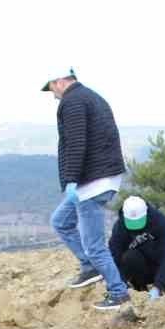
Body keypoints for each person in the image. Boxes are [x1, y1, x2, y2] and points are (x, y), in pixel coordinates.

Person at [43, 68, 130, 311]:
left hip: (92, 183)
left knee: (94, 245)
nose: (52, 94)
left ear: (59, 81)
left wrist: (71, 179)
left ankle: (118, 292)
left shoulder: (73, 102)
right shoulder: (91, 96)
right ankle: (90, 267)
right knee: (61, 221)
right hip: (100, 177)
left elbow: (76, 143)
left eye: (50, 88)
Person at [108, 195, 165, 299]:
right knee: (130, 256)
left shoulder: (160, 221)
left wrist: (158, 286)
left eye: (138, 221)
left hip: (156, 262)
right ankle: (139, 287)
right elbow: (115, 258)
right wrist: (121, 284)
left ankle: (161, 290)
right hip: (135, 267)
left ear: (146, 213)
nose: (135, 226)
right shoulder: (119, 227)